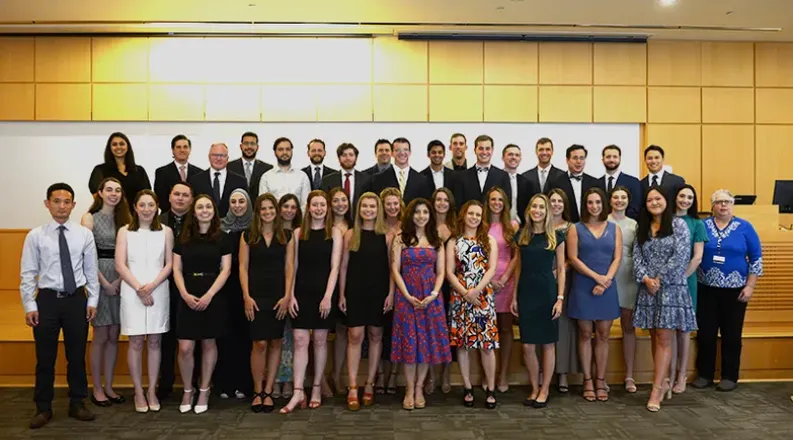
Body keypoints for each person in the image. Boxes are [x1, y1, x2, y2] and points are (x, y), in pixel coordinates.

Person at [20, 183, 99, 429]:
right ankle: (43, 407)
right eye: (56, 201)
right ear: (47, 204)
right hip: (47, 301)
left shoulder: (84, 235)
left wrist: (93, 300)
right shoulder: (35, 235)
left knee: (76, 356)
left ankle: (78, 402)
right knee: (45, 358)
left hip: (76, 300)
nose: (62, 206)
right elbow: (27, 273)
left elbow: (90, 271)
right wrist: (29, 305)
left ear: (74, 205)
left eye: (67, 202)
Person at [632, 186, 697, 412]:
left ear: (666, 201)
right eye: (649, 199)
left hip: (671, 288)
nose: (654, 202)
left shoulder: (679, 225)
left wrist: (658, 279)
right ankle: (664, 381)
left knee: (664, 338)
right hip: (648, 288)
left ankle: (656, 388)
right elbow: (637, 257)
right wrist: (646, 279)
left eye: (657, 198)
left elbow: (681, 257)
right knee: (654, 337)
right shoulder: (642, 226)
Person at [693, 189, 763, 392]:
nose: (723, 205)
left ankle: (729, 376)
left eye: (727, 202)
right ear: (712, 205)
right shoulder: (702, 225)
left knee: (732, 334)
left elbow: (756, 257)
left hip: (735, 290)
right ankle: (705, 374)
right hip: (705, 288)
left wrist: (750, 285)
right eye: (719, 202)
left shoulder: (745, 227)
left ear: (733, 205)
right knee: (705, 333)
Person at [281, 190, 343, 413]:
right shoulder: (298, 233)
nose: (319, 209)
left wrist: (328, 296)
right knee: (299, 340)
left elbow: (335, 267)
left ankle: (316, 387)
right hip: (301, 293)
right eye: (315, 205)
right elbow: (293, 267)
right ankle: (298, 391)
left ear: (327, 208)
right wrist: (291, 295)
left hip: (323, 294)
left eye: (322, 205)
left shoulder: (334, 233)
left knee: (319, 340)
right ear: (308, 207)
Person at [173, 195, 233, 414]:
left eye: (208, 207)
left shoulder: (223, 238)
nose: (204, 210)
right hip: (187, 292)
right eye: (200, 207)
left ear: (214, 212)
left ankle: (205, 389)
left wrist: (209, 294)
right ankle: (188, 389)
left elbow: (226, 269)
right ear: (194, 211)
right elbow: (176, 269)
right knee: (186, 347)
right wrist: (185, 294)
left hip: (213, 294)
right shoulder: (183, 237)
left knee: (209, 344)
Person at [115, 190, 174, 413]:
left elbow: (169, 264)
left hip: (158, 290)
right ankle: (138, 391)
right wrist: (140, 288)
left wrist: (151, 286)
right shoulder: (125, 232)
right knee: (136, 342)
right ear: (135, 208)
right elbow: (120, 265)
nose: (147, 209)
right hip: (132, 291)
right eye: (143, 205)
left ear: (157, 207)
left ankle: (152, 391)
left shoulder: (165, 232)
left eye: (151, 205)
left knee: (155, 342)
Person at [391, 198, 452, 410]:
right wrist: (407, 295)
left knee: (425, 344)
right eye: (417, 212)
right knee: (409, 344)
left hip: (430, 298)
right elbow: (395, 270)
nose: (421, 216)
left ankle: (419, 388)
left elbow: (442, 271)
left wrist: (434, 294)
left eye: (425, 212)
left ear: (430, 215)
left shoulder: (437, 240)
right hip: (407, 297)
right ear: (411, 215)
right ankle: (409, 388)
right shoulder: (400, 239)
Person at [239, 193, 295, 413]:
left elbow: (290, 267)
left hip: (278, 296)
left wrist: (287, 295)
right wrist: (246, 296)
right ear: (257, 212)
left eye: (271, 208)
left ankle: (269, 391)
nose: (268, 212)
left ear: (277, 211)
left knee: (276, 342)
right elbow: (243, 267)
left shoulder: (287, 236)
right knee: (259, 343)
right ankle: (257, 390)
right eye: (263, 209)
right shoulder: (248, 235)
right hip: (255, 296)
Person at [566, 188, 622, 402]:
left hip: (607, 286)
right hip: (583, 285)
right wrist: (596, 278)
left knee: (603, 335)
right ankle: (587, 380)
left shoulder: (614, 228)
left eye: (598, 202)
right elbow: (573, 259)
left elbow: (617, 258)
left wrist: (605, 280)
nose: (594, 206)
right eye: (590, 202)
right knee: (584, 334)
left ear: (604, 204)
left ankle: (600, 379)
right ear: (585, 205)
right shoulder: (575, 228)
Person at [512, 194, 566, 408]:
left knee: (548, 344)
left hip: (547, 293)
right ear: (528, 210)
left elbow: (561, 269)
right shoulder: (521, 235)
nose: (537, 210)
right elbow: (518, 268)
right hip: (526, 293)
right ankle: (534, 387)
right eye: (534, 206)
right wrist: (514, 296)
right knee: (527, 345)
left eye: (541, 207)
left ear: (547, 211)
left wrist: (560, 298)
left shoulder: (556, 236)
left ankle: (545, 389)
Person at [339, 192, 393, 410]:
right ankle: (353, 385)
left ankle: (369, 383)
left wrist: (391, 294)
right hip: (355, 291)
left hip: (379, 292)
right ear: (359, 209)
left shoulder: (387, 236)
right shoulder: (351, 234)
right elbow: (343, 266)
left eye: (373, 206)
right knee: (355, 335)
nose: (369, 210)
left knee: (375, 335)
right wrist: (341, 294)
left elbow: (392, 269)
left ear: (378, 209)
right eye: (365, 206)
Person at [80, 177, 130, 408]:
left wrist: (120, 279)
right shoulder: (89, 218)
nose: (113, 194)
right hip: (97, 277)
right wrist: (103, 283)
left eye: (117, 190)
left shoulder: (126, 219)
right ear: (99, 192)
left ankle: (109, 386)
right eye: (109, 190)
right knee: (99, 336)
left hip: (122, 279)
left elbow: (130, 254)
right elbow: (85, 256)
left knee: (113, 335)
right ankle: (97, 388)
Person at [446, 200, 499, 409]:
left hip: (483, 297)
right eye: (471, 213)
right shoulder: (454, 241)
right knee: (463, 344)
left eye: (478, 214)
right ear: (463, 215)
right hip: (460, 297)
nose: (474, 217)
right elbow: (449, 272)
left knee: (487, 345)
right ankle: (467, 387)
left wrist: (476, 291)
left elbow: (492, 269)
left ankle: (491, 388)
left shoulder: (489, 240)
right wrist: (465, 293)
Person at [215, 189, 254, 400]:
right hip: (225, 289)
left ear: (248, 203)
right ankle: (224, 383)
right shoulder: (220, 227)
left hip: (247, 288)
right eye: (233, 202)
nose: (237, 205)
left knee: (245, 337)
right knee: (225, 336)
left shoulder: (255, 227)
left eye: (241, 201)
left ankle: (243, 384)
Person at [156, 181, 194, 400]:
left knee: (192, 336)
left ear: (191, 199)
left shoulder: (198, 220)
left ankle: (194, 382)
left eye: (185, 195)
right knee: (165, 336)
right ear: (169, 197)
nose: (180, 198)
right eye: (176, 194)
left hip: (191, 286)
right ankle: (166, 381)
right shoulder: (157, 221)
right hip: (163, 285)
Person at [671, 184, 707, 394]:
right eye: (682, 196)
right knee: (668, 328)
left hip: (686, 282)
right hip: (665, 282)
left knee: (683, 330)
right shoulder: (665, 220)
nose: (685, 200)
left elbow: (698, 256)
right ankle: (668, 373)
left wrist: (681, 277)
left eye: (690, 198)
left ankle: (681, 374)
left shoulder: (696, 224)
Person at [484, 187, 518, 393]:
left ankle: (503, 373)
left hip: (506, 281)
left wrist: (505, 278)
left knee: (505, 330)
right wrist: (487, 280)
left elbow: (516, 256)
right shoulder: (481, 224)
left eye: (500, 199)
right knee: (487, 331)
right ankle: (488, 374)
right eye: (492, 199)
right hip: (484, 282)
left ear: (505, 203)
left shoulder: (512, 225)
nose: (496, 202)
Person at [607, 186, 639, 393]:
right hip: (606, 274)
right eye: (616, 197)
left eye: (623, 197)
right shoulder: (603, 221)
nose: (619, 200)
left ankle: (629, 375)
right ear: (610, 200)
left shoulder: (634, 225)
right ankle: (602, 375)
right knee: (602, 328)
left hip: (628, 274)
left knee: (628, 326)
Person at [548, 189, 578, 393]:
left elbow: (575, 254)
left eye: (560, 201)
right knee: (547, 324)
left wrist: (561, 269)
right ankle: (545, 371)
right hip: (543, 280)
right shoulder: (541, 224)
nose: (556, 204)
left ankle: (563, 374)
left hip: (564, 279)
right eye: (553, 201)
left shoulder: (571, 228)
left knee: (564, 327)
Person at [273, 193, 302, 400]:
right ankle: (275, 379)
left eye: (293, 207)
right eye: (285, 206)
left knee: (293, 338)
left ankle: (289, 380)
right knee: (277, 336)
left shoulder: (301, 231)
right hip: (274, 286)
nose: (289, 210)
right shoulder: (271, 231)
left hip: (297, 288)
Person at [377, 187, 405, 395]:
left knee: (398, 333)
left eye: (396, 203)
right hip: (379, 284)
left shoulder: (407, 227)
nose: (392, 207)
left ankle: (394, 375)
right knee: (379, 332)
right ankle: (378, 374)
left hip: (404, 285)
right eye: (389, 204)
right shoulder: (376, 227)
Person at [429, 187, 457, 394]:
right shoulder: (426, 227)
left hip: (453, 285)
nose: (441, 203)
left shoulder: (457, 228)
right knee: (431, 330)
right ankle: (430, 375)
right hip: (430, 284)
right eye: (438, 199)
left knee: (448, 330)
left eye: (445, 200)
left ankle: (446, 374)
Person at [88, 132, 151, 212]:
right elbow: (97, 197)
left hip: (136, 216)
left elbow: (146, 195)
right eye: (114, 144)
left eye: (122, 144)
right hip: (110, 216)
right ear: (109, 148)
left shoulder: (139, 170)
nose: (118, 147)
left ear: (127, 146)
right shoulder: (100, 170)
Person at [328, 187, 352, 396]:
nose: (340, 204)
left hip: (348, 283)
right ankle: (321, 378)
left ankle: (337, 374)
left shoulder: (354, 226)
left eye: (343, 200)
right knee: (319, 333)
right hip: (324, 283)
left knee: (343, 331)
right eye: (335, 201)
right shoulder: (323, 225)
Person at [188, 143, 247, 217]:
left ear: (227, 158)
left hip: (232, 226)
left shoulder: (240, 181)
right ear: (209, 157)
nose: (219, 158)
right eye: (215, 155)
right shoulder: (196, 180)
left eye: (222, 155)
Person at [371, 137, 433, 205]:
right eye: (398, 150)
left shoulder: (422, 180)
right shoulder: (379, 179)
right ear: (392, 153)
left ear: (410, 152)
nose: (402, 153)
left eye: (405, 150)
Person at [546, 144, 598, 223]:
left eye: (582, 158)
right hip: (564, 227)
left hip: (590, 227)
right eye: (575, 158)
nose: (578, 161)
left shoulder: (595, 183)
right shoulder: (555, 183)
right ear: (567, 160)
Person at [454, 134, 512, 206]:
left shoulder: (503, 176)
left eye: (487, 149)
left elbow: (507, 203)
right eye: (481, 148)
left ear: (492, 150)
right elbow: (458, 204)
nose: (484, 152)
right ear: (475, 150)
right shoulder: (462, 177)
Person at [153, 134, 202, 214]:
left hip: (194, 217)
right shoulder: (162, 172)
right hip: (169, 218)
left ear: (190, 150)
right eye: (178, 147)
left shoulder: (199, 173)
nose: (182, 150)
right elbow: (160, 199)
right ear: (173, 150)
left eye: (185, 147)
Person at [259, 137, 312, 207]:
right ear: (275, 152)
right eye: (281, 149)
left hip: (297, 217)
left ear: (292, 152)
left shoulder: (302, 176)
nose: (284, 152)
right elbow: (263, 204)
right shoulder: (266, 177)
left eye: (288, 149)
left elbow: (306, 204)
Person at [321, 143, 373, 212]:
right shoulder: (328, 180)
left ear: (356, 158)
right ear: (339, 158)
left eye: (351, 155)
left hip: (360, 220)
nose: (348, 158)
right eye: (344, 155)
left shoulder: (366, 179)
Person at [598, 145, 642, 220]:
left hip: (626, 227)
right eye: (608, 157)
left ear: (620, 159)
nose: (611, 160)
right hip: (600, 226)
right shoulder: (596, 183)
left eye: (615, 157)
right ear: (603, 160)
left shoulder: (633, 182)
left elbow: (635, 208)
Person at [227, 131, 274, 201]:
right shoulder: (229, 167)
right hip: (236, 208)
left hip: (258, 209)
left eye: (252, 144)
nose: (249, 147)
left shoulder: (267, 168)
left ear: (257, 147)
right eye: (246, 143)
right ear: (241, 146)